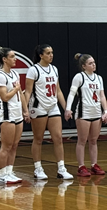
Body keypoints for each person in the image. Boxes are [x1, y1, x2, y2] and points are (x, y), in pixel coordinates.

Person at [24, 44, 73, 180]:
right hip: (38, 106)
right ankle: (38, 168)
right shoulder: (33, 70)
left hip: (53, 106)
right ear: (41, 55)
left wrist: (66, 108)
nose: (51, 55)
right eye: (48, 53)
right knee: (38, 139)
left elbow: (58, 91)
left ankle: (61, 168)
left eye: (52, 52)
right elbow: (27, 92)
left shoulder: (54, 69)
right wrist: (25, 110)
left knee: (58, 138)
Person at [65, 53, 107, 177]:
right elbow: (72, 94)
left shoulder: (99, 78)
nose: (93, 65)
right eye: (90, 63)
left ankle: (94, 164)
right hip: (83, 113)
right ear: (84, 66)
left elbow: (102, 96)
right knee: (82, 140)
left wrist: (105, 111)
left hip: (96, 112)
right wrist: (68, 109)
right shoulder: (79, 77)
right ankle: (81, 166)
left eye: (94, 62)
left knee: (94, 140)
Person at [0, 47, 30, 184]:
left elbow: (21, 94)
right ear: (4, 59)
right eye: (12, 56)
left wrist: (25, 110)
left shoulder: (15, 73)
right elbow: (4, 97)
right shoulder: (0, 76)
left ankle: (9, 172)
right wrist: (15, 89)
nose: (15, 59)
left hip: (17, 114)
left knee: (14, 145)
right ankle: (2, 175)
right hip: (7, 115)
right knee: (6, 146)